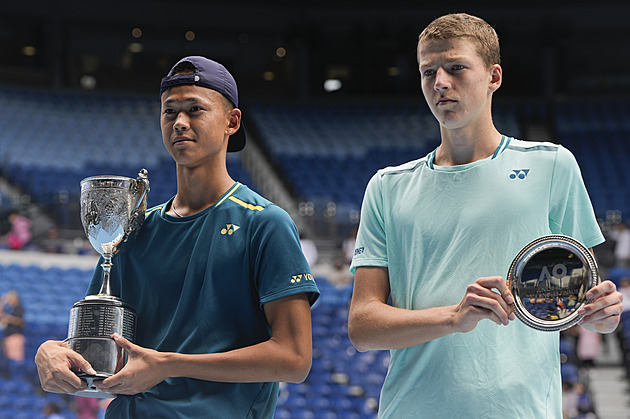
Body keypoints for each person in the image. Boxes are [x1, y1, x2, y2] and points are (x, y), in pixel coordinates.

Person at [347, 13, 623, 418]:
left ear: (494, 76)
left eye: (456, 67)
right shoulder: (387, 187)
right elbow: (363, 327)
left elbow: (577, 302)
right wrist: (452, 318)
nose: (440, 82)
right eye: (428, 72)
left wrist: (602, 316)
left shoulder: (553, 166)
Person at [35, 56, 320, 418]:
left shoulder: (265, 224)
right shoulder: (132, 231)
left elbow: (294, 359)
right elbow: (100, 343)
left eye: (195, 110)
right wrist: (51, 351)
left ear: (231, 122)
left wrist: (169, 364)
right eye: (170, 112)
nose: (180, 123)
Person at [0, 289, 25, 363]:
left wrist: (8, 318)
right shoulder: (9, 309)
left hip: (16, 336)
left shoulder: (18, 308)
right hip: (8, 336)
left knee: (16, 358)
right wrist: (3, 301)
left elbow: (21, 321)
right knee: (9, 359)